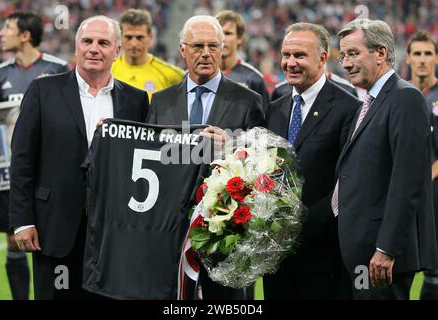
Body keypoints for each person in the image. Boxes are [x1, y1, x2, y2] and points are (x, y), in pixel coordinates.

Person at [9, 15, 149, 300]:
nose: (94, 48)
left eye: (103, 42)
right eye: (87, 41)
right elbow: (22, 160)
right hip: (54, 227)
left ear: (117, 51)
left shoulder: (136, 100)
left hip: (114, 233)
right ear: (76, 47)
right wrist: (23, 220)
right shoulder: (43, 90)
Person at [146, 15, 264, 300]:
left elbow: (263, 164)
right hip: (170, 231)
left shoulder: (247, 100)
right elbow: (150, 159)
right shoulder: (161, 101)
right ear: (183, 49)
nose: (206, 53)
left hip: (225, 234)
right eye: (198, 45)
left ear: (223, 49)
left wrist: (233, 144)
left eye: (213, 46)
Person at [334, 18, 438, 300]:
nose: (345, 64)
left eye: (353, 53)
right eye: (343, 55)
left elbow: (407, 181)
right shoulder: (369, 103)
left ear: (380, 53)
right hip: (362, 249)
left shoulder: (405, 98)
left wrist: (386, 249)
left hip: (380, 257)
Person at [263, 22, 360, 300]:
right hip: (275, 254)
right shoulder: (276, 107)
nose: (290, 63)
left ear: (322, 58)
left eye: (300, 56)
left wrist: (301, 225)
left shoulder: (347, 108)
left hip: (322, 253)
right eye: (286, 55)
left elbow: (347, 181)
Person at [0, 11, 69, 300]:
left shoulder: (58, 67)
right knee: (14, 239)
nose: (0, 34)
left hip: (50, 166)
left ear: (24, 35)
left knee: (55, 234)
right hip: (12, 167)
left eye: (7, 28)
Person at [405, 30, 438, 300]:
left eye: (428, 54)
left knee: (433, 267)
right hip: (406, 196)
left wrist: (421, 178)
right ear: (408, 58)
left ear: (436, 58)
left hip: (433, 193)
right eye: (417, 54)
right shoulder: (401, 95)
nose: (423, 60)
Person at [111, 8, 184, 100]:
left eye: (139, 37)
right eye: (128, 37)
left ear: (150, 37)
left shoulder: (172, 74)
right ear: (120, 37)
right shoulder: (107, 71)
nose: (133, 43)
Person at [215, 10, 270, 112]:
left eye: (228, 33)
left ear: (239, 38)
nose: (222, 39)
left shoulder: (254, 79)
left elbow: (264, 123)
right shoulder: (201, 76)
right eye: (219, 33)